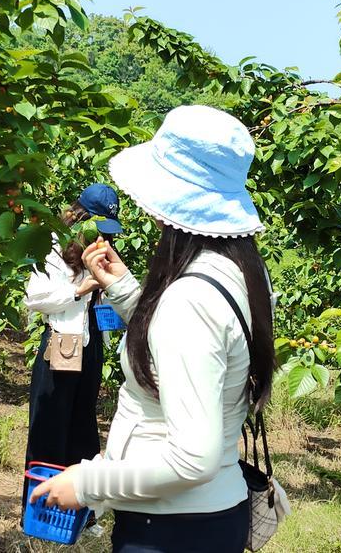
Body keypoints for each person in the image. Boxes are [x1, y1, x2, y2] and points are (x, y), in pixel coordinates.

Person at [30, 105, 277, 552]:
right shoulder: (244, 272)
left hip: (170, 527)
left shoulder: (190, 299)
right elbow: (178, 342)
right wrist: (125, 289)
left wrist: (87, 483)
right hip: (211, 514)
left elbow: (192, 459)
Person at [22, 183, 124, 470]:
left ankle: (80, 497)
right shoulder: (54, 247)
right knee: (49, 429)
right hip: (63, 344)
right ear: (81, 218)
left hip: (92, 345)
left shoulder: (102, 248)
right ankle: (42, 495)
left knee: (83, 431)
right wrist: (80, 290)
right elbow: (34, 298)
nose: (103, 235)